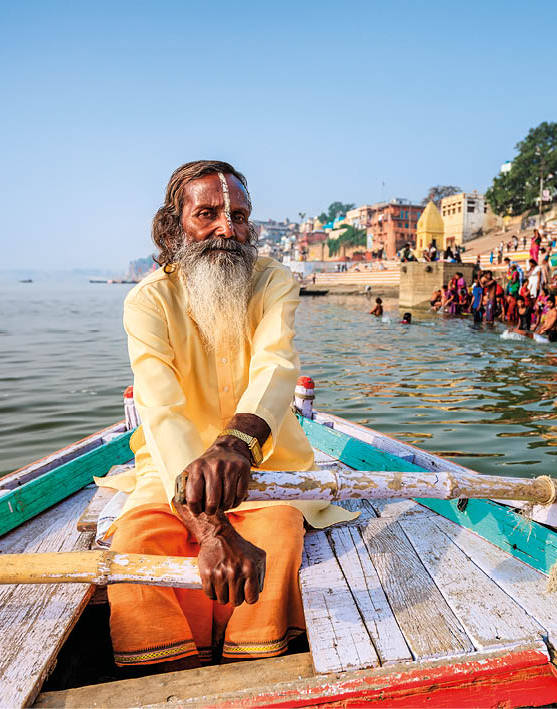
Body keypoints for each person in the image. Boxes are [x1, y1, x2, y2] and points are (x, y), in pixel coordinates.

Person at [107, 160, 355, 671]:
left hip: (265, 465)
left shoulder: (273, 282)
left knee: (279, 534)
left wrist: (236, 444)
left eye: (238, 216)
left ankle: (252, 666)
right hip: (169, 470)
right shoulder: (147, 301)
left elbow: (276, 364)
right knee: (136, 544)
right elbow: (160, 409)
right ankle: (169, 674)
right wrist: (213, 531)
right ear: (175, 227)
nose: (227, 229)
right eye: (208, 214)